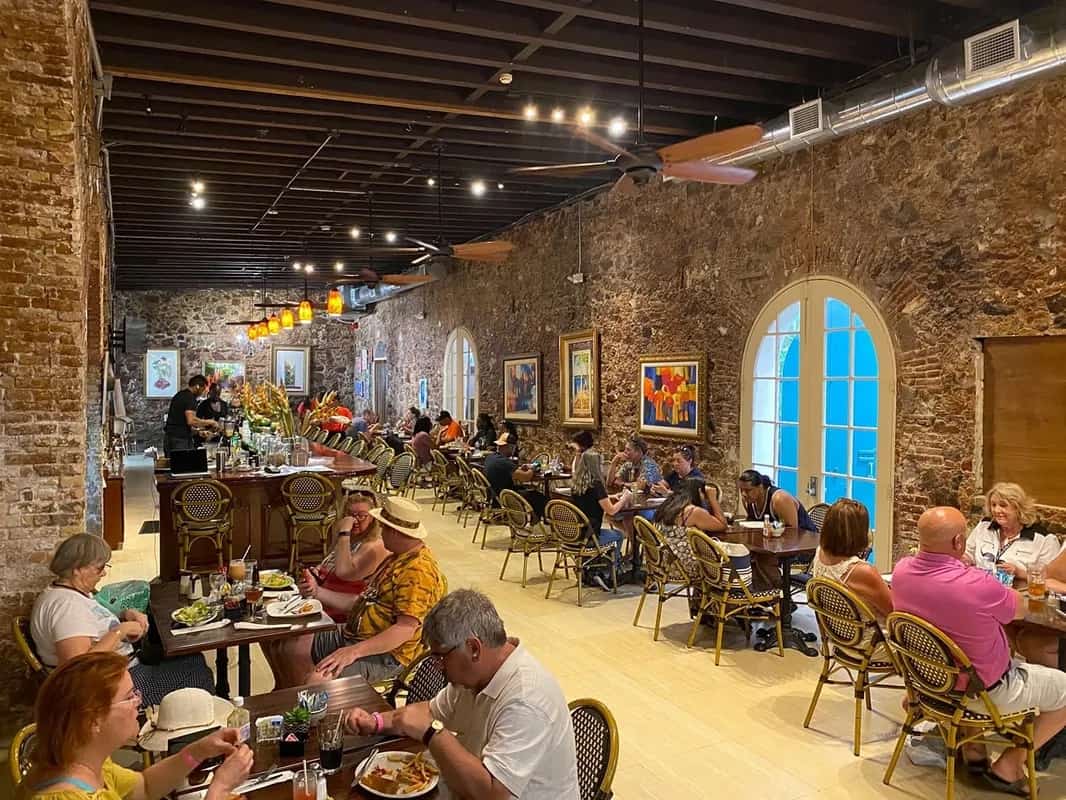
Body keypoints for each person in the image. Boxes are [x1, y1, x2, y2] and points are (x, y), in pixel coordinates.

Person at [892, 507, 1066, 793]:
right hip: (980, 693)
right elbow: (1019, 610)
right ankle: (1010, 765)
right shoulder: (977, 585)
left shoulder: (902, 571)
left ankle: (974, 750)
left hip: (929, 684)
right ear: (959, 542)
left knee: (975, 650)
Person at [344, 590, 579, 800]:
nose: (436, 666)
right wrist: (375, 722)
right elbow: (429, 711)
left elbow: (492, 793)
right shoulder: (474, 678)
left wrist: (433, 732)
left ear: (474, 648)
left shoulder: (526, 700)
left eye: (440, 657)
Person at [20, 651, 252, 800]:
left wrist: (197, 752)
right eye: (130, 696)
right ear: (93, 720)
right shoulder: (68, 797)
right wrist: (218, 790)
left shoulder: (88, 762)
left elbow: (145, 787)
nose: (138, 702)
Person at [30, 534, 214, 706]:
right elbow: (78, 668)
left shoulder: (67, 593)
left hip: (123, 671)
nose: (103, 574)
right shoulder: (66, 607)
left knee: (191, 658)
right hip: (113, 689)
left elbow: (91, 622)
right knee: (194, 673)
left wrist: (124, 614)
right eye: (99, 568)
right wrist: (120, 631)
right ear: (78, 569)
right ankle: (199, 728)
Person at [302, 496, 447, 685]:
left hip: (388, 655)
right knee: (293, 641)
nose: (381, 533)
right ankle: (294, 700)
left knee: (317, 680)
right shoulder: (396, 557)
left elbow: (404, 630)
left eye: (384, 528)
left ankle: (311, 700)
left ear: (395, 532)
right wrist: (317, 592)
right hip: (356, 635)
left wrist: (353, 651)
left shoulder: (417, 571)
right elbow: (362, 601)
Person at [261, 492, 389, 687]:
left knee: (291, 646)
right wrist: (314, 577)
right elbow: (328, 569)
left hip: (341, 614)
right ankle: (282, 689)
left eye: (361, 516)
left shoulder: (373, 546)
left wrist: (343, 533)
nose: (354, 521)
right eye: (349, 514)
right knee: (270, 637)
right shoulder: (349, 540)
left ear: (374, 518)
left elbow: (345, 572)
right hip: (319, 605)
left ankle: (299, 694)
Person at [568, 431, 633, 587]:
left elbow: (594, 501)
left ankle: (593, 566)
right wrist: (624, 498)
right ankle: (613, 572)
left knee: (612, 531)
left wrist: (612, 497)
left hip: (573, 535)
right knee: (619, 535)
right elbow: (611, 511)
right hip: (590, 536)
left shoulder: (577, 485)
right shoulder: (596, 485)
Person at [811, 499, 892, 619]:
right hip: (871, 635)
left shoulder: (820, 552)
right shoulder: (862, 571)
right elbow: (893, 613)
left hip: (836, 632)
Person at [962, 482, 1059, 579]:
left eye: (1003, 505)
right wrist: (964, 559)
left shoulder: (1045, 540)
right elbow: (968, 553)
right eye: (993, 505)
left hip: (1020, 591)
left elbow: (1050, 578)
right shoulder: (984, 526)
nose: (996, 510)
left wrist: (1019, 573)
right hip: (981, 586)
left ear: (1018, 508)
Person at [652, 477, 727, 578]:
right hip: (683, 568)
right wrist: (712, 498)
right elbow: (722, 525)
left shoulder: (667, 506)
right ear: (699, 491)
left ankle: (702, 592)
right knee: (726, 561)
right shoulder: (693, 511)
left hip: (660, 563)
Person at [737, 469, 816, 531]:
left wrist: (771, 528)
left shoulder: (779, 499)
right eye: (741, 490)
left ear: (760, 488)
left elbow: (792, 530)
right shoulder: (748, 500)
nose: (743, 494)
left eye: (748, 490)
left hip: (805, 541)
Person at [483, 448, 548, 521]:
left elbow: (513, 472)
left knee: (528, 491)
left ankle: (535, 518)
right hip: (506, 496)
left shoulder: (491, 457)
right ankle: (546, 521)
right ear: (509, 446)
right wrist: (532, 469)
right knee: (539, 497)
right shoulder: (503, 462)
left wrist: (520, 469)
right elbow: (525, 477)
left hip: (494, 495)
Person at [163, 375, 218, 455]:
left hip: (170, 438)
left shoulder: (179, 395)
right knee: (186, 466)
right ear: (197, 386)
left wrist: (198, 432)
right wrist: (211, 422)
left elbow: (180, 422)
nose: (203, 392)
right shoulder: (190, 398)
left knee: (174, 466)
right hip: (180, 441)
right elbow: (191, 421)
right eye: (203, 389)